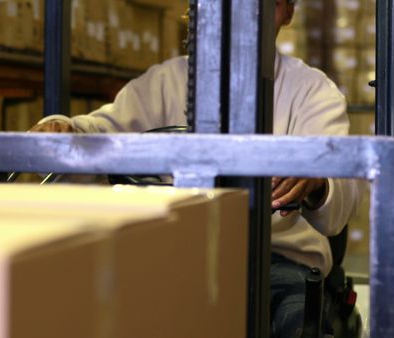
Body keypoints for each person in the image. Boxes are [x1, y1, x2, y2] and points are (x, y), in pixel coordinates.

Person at [30, 0, 361, 336]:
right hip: (174, 252)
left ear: (287, 13)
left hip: (276, 260)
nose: (247, 16)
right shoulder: (165, 81)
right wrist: (62, 129)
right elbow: (100, 130)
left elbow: (341, 195)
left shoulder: (312, 91)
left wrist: (316, 180)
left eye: (266, 4)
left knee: (294, 321)